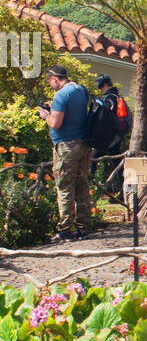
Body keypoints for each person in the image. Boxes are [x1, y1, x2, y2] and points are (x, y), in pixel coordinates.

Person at [35, 65, 92, 242]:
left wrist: (45, 115)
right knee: (82, 184)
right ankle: (83, 227)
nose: (50, 85)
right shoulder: (80, 90)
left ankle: (65, 230)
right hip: (84, 144)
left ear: (53, 78)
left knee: (65, 186)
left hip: (66, 146)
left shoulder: (60, 95)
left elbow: (56, 123)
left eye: (49, 82)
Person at [89, 74, 130, 181]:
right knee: (117, 164)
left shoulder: (108, 98)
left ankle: (87, 188)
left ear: (103, 85)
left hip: (107, 136)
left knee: (92, 162)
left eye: (99, 86)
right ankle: (123, 192)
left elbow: (104, 119)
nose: (99, 89)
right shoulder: (116, 97)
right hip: (117, 136)